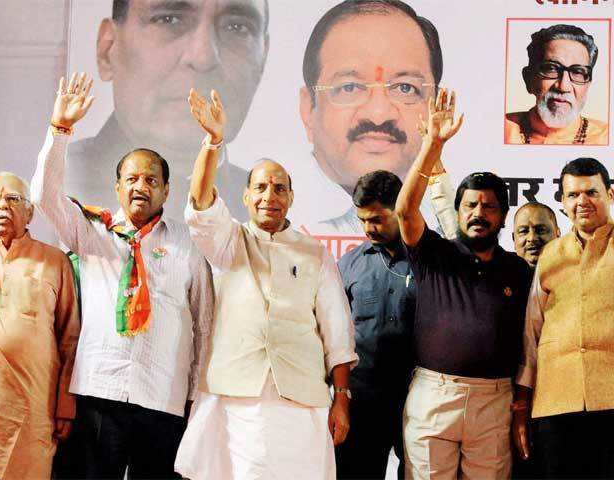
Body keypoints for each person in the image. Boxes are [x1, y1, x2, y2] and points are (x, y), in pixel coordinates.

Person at [30, 73, 213, 479]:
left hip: (163, 399)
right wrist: (60, 130)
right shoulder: (92, 233)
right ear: (117, 187)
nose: (140, 187)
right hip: (98, 393)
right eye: (131, 179)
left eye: (151, 180)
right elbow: (43, 195)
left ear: (167, 191)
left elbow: (204, 326)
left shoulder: (189, 246)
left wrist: (197, 399)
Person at [174, 88, 358, 479]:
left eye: (278, 188)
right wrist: (212, 143)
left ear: (291, 198)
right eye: (260, 187)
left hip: (302, 398)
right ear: (245, 195)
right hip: (239, 395)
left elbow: (337, 332)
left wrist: (341, 398)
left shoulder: (314, 253)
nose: (269, 196)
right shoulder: (227, 241)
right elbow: (201, 203)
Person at [396, 89, 532, 479]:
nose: (479, 213)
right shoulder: (435, 254)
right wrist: (432, 145)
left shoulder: (519, 271)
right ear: (457, 212)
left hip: (495, 399)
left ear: (503, 217)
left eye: (489, 206)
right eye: (470, 205)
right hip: (434, 396)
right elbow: (405, 211)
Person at [66, 0, 271, 220]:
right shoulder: (56, 188)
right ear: (108, 50)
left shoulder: (270, 217)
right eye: (169, 19)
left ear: (262, 61)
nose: (204, 57)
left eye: (237, 27)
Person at [335, 169, 455, 480]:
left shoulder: (432, 258)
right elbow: (335, 336)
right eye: (362, 220)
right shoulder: (348, 266)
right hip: (362, 401)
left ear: (400, 209)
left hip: (421, 400)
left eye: (376, 219)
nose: (368, 228)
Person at [298, 0, 446, 233]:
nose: (379, 114)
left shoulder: (451, 227)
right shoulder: (282, 223)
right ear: (308, 110)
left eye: (405, 87)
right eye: (350, 87)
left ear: (435, 106)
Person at [512, 158, 614, 478]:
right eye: (572, 195)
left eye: (591, 192)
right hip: (555, 405)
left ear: (610, 194)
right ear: (563, 202)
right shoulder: (550, 255)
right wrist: (521, 407)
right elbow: (532, 334)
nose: (581, 201)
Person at [0, 172, 80, 479]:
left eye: (13, 198)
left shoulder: (55, 260)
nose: (2, 206)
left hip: (33, 407)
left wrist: (66, 405)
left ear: (30, 211)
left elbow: (70, 338)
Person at [505, 24, 607, 145]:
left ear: (588, 84)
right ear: (528, 78)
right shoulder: (500, 128)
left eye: (577, 72)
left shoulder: (606, 137)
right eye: (551, 69)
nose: (563, 87)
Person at [512, 201, 560, 269]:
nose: (532, 238)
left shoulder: (576, 274)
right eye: (523, 231)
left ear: (558, 234)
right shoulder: (497, 276)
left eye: (540, 230)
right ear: (514, 239)